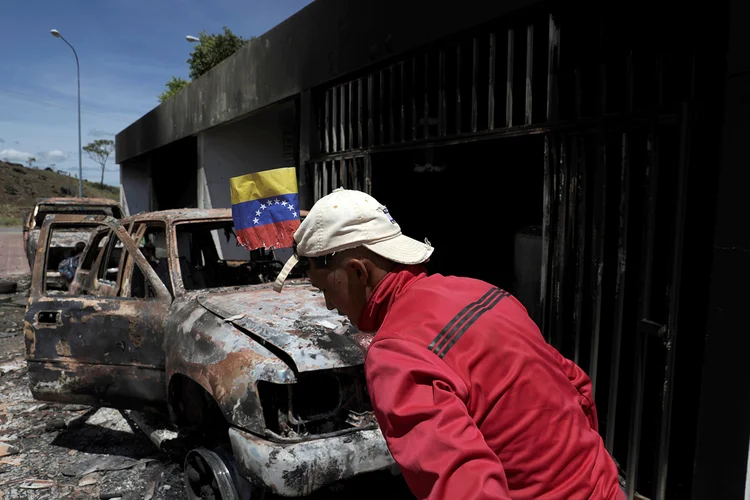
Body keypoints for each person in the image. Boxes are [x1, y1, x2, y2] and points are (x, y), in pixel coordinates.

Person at [273, 188, 625, 500]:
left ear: (358, 272)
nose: (330, 305)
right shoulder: (482, 291)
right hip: (603, 483)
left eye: (325, 291)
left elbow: (464, 489)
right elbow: (575, 383)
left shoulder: (395, 353)